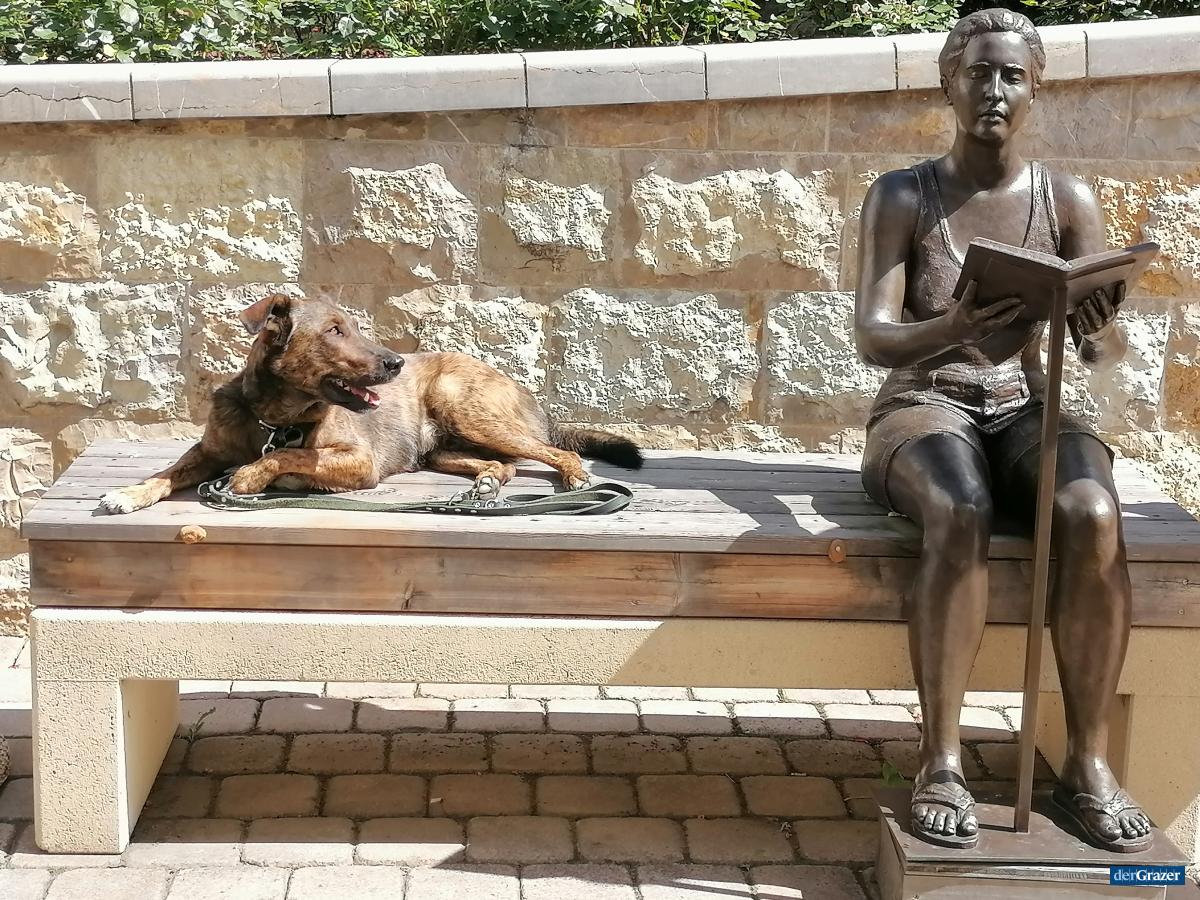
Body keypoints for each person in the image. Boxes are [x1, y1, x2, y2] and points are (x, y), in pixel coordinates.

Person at [853, 8, 1152, 851]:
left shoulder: (1066, 199)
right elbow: (872, 336)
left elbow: (1103, 352)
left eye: (1011, 75)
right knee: (961, 509)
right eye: (978, 72)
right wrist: (953, 326)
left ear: (1034, 90)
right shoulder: (904, 194)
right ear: (948, 83)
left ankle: (1086, 764)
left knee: (1092, 510)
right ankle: (941, 760)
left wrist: (1097, 325)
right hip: (925, 403)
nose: (994, 89)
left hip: (1027, 403)